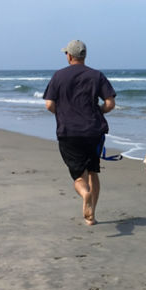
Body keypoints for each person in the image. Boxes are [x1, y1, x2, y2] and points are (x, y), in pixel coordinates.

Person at [43, 40, 116, 225]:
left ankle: (85, 194)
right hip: (93, 131)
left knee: (78, 176)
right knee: (93, 171)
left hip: (69, 132)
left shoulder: (59, 76)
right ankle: (92, 216)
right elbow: (110, 103)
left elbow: (50, 104)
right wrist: (99, 111)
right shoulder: (96, 75)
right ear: (84, 56)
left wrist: (63, 113)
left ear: (69, 55)